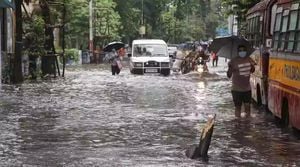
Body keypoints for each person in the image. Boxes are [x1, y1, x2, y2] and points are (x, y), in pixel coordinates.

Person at [227, 45, 255, 118]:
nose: (242, 52)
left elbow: (252, 71)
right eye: (240, 50)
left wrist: (252, 66)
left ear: (246, 51)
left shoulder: (249, 59)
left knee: (248, 107)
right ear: (238, 52)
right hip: (236, 89)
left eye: (243, 50)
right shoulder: (233, 61)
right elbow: (229, 75)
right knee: (238, 107)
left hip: (247, 88)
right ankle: (238, 124)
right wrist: (230, 67)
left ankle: (247, 124)